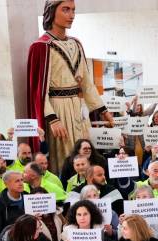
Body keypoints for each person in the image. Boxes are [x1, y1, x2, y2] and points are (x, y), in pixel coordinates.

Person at [27, 0, 113, 166]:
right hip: (59, 109)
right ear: (52, 12)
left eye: (73, 10)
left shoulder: (76, 43)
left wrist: (103, 111)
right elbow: (38, 91)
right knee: (66, 156)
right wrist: (53, 119)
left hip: (80, 108)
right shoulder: (41, 47)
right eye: (65, 10)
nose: (71, 15)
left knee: (86, 154)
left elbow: (87, 83)